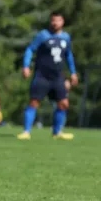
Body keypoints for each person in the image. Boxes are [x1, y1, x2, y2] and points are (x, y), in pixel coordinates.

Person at [17, 11, 77, 140]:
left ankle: (57, 132)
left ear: (63, 22)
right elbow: (30, 49)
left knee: (64, 104)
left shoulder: (66, 37)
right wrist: (26, 66)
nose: (55, 23)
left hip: (58, 77)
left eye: (58, 20)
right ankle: (26, 131)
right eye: (53, 20)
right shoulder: (43, 35)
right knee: (34, 102)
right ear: (50, 21)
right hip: (42, 76)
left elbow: (69, 55)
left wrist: (73, 73)